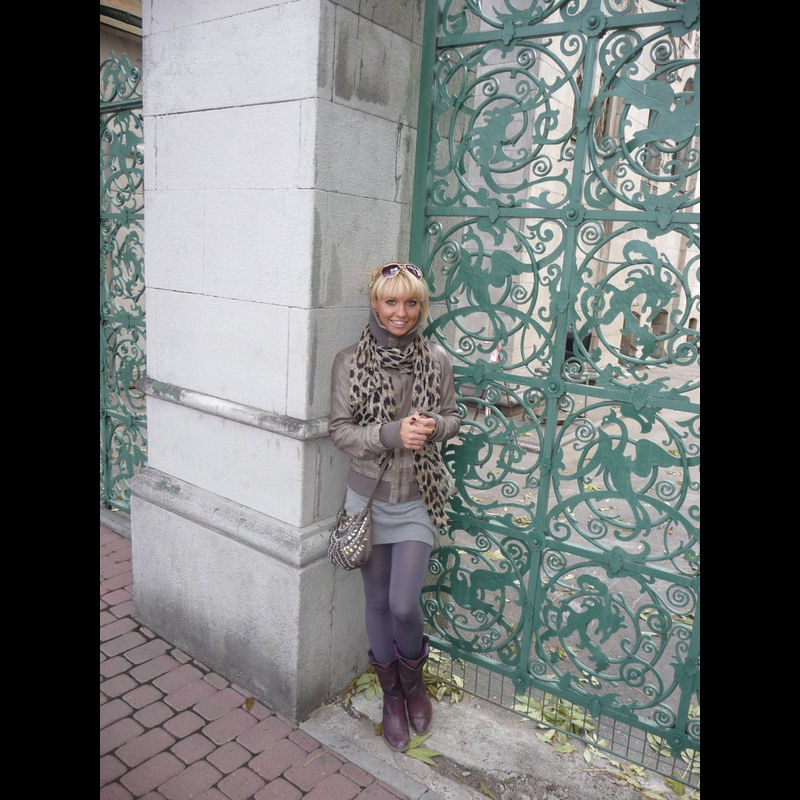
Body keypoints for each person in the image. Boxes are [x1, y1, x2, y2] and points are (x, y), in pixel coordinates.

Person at [328, 261, 461, 752]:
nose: (400, 312)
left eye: (411, 303)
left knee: (405, 604)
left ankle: (414, 685)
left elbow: (453, 417)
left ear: (421, 307)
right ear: (375, 303)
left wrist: (434, 427)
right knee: (378, 603)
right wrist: (391, 434)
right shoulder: (349, 361)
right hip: (368, 502)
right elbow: (340, 431)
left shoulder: (437, 360)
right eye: (390, 302)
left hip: (418, 498)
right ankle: (391, 697)